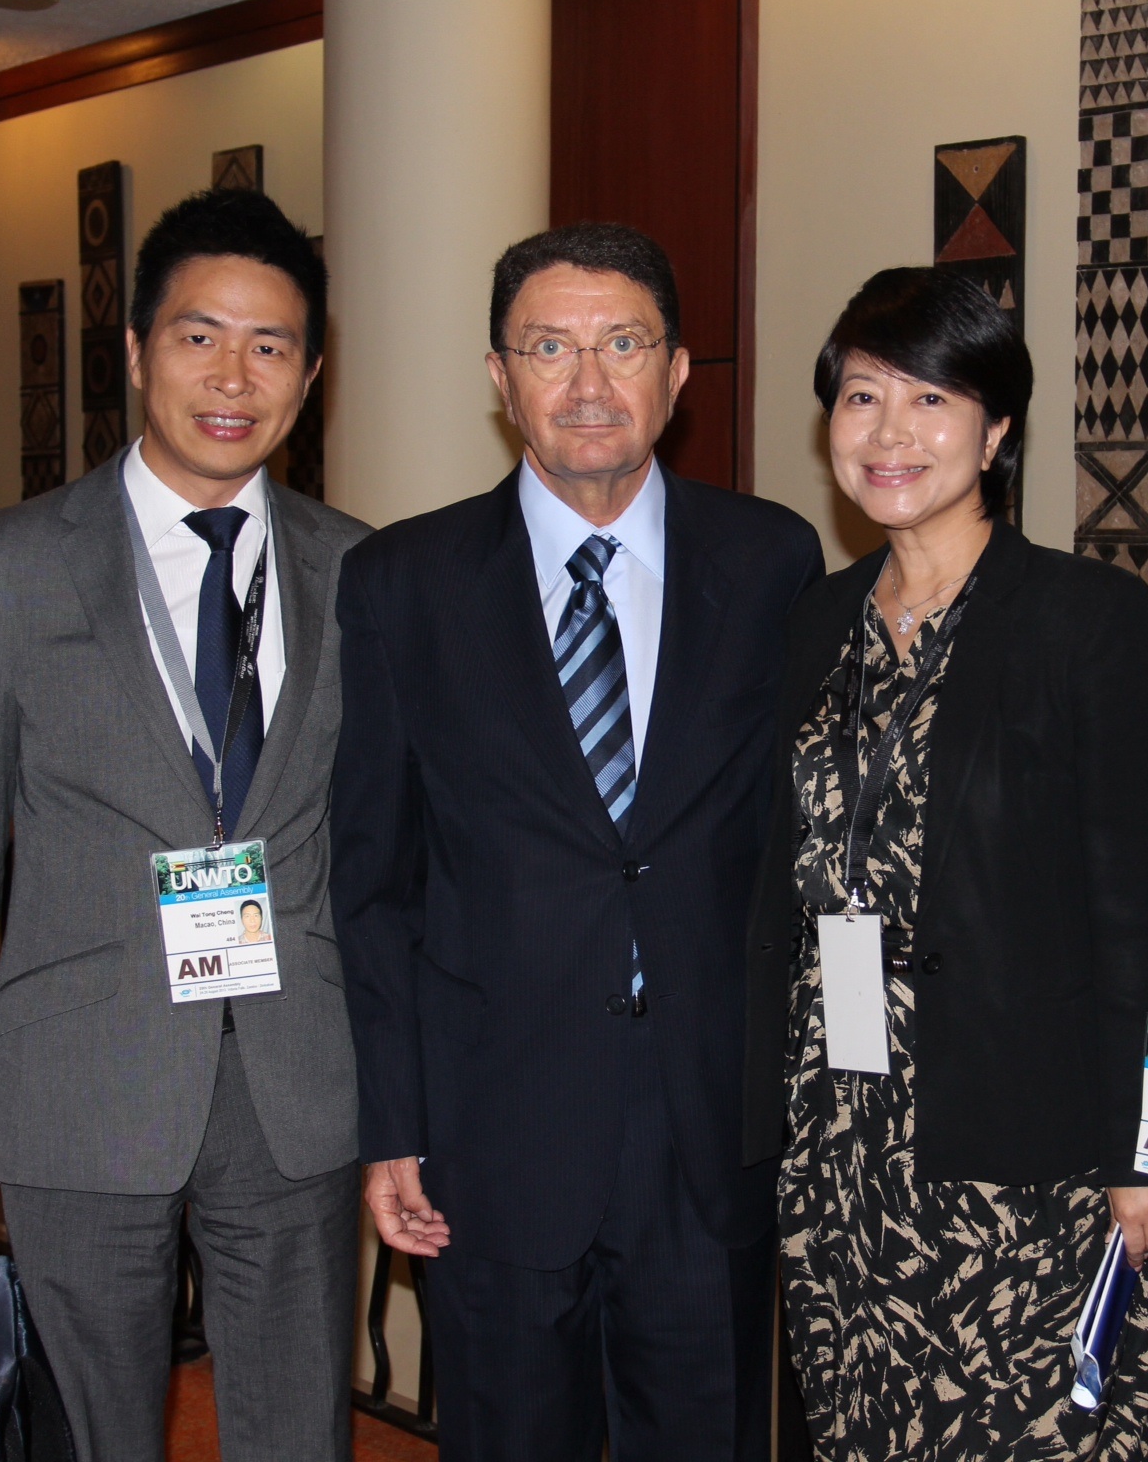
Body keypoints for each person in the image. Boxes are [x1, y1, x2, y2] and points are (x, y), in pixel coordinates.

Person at [331, 222, 824, 1462]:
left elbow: (799, 847)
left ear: (679, 372)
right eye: (549, 347)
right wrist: (391, 1123)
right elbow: (375, 880)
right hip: (492, 1137)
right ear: (500, 378)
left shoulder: (773, 561)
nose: (589, 381)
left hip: (708, 1131)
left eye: (624, 344)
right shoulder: (402, 582)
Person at [0, 189, 371, 1462]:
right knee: (95, 1434)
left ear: (310, 375)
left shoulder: (357, 568)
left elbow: (385, 849)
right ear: (134, 350)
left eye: (270, 346)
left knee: (299, 1435)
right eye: (198, 336)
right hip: (78, 1082)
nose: (233, 376)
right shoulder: (9, 565)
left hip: (295, 1082)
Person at [743, 266, 1148, 1459]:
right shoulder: (815, 621)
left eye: (930, 399)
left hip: (1026, 1148)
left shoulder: (1088, 618)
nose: (889, 432)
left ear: (995, 432)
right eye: (861, 397)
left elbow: (1142, 907)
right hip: (840, 1138)